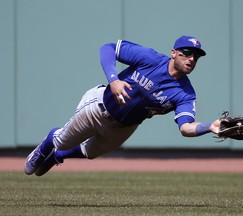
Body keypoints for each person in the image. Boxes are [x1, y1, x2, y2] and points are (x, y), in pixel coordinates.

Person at [24, 35, 221, 176]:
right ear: (173, 53)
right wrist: (113, 79)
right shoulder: (150, 59)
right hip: (98, 107)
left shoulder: (185, 93)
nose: (191, 59)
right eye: (187, 53)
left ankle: (58, 156)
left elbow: (186, 127)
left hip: (124, 127)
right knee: (62, 140)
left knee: (90, 152)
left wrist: (209, 127)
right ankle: (46, 148)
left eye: (196, 56)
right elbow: (108, 48)